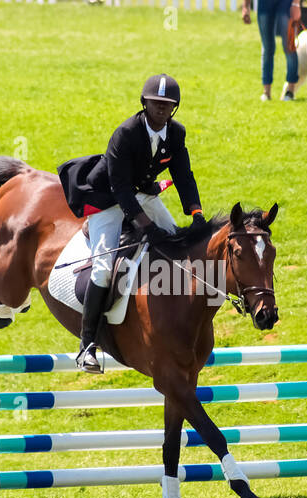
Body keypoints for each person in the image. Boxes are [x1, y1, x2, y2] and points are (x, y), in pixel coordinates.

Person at [57, 74, 206, 373]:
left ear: (175, 108)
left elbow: (183, 175)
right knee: (102, 269)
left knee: (177, 242)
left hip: (143, 193)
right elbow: (120, 189)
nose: (161, 110)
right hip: (108, 199)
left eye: (168, 105)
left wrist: (196, 213)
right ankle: (87, 344)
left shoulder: (176, 134)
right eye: (156, 104)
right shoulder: (125, 134)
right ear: (144, 103)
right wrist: (142, 223)